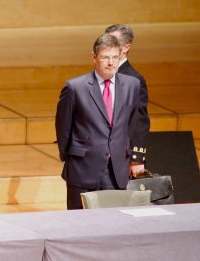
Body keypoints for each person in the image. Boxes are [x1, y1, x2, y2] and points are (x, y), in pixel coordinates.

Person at [55, 34, 141, 210]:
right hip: (83, 168)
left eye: (115, 57)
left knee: (113, 225)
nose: (111, 62)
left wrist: (125, 153)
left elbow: (132, 124)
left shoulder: (132, 85)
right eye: (105, 57)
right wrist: (71, 157)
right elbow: (63, 127)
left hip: (116, 170)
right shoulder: (75, 87)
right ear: (94, 57)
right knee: (80, 225)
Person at [105, 24, 148, 173]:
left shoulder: (134, 79)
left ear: (125, 47)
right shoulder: (98, 75)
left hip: (119, 156)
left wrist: (136, 159)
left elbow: (139, 120)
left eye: (112, 42)